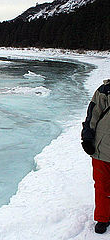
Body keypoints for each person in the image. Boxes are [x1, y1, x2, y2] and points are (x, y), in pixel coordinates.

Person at [81, 79, 110, 234]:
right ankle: (103, 217)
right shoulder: (105, 90)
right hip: (103, 149)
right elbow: (92, 115)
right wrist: (87, 138)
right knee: (102, 185)